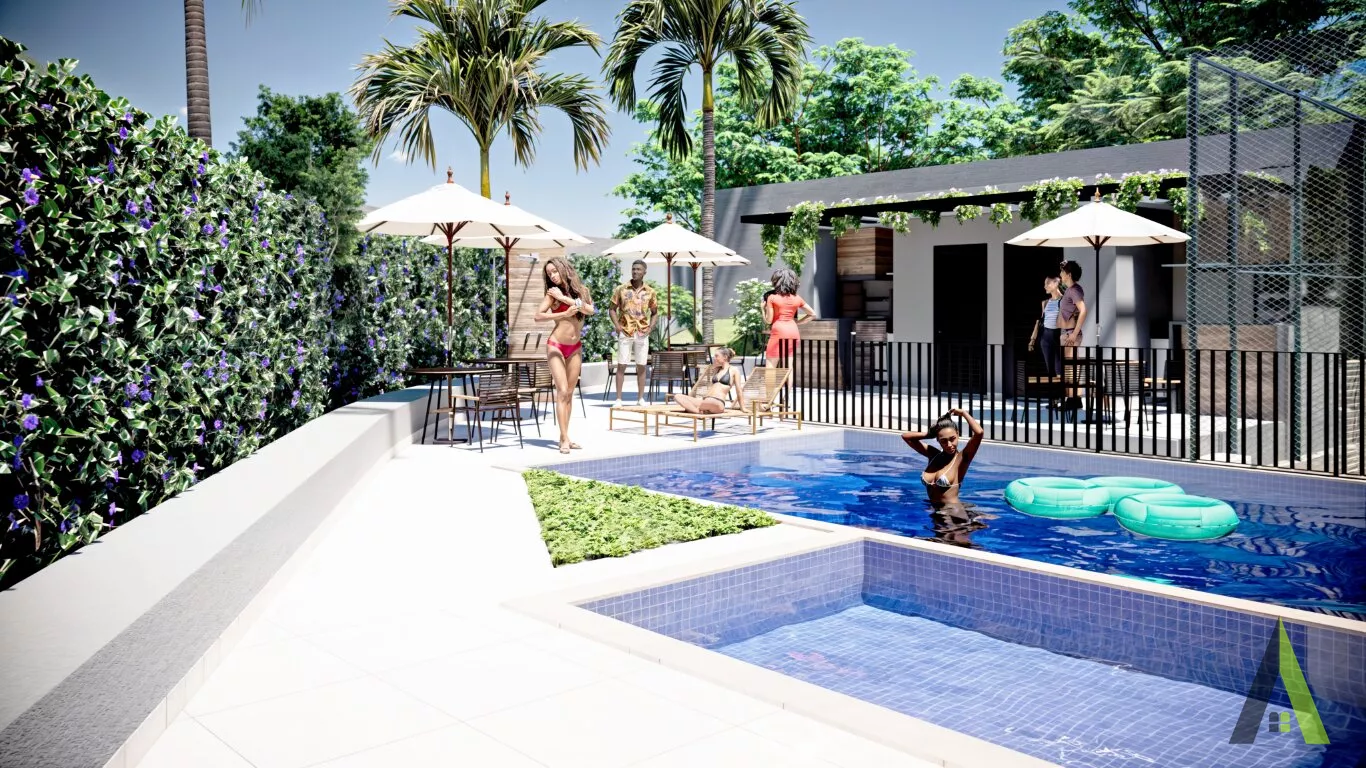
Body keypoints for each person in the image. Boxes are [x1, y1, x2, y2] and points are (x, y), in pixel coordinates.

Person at [533, 257, 595, 454]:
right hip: (556, 346)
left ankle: (564, 436)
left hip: (575, 347)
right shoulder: (552, 294)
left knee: (569, 393)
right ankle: (564, 439)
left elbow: (590, 310)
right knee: (561, 391)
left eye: (555, 271)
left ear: (564, 269)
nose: (552, 276)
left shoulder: (582, 291)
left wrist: (566, 300)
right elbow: (538, 316)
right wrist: (563, 313)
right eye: (549, 273)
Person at [900, 408, 985, 505]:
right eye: (943, 441)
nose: (949, 445)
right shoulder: (933, 455)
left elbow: (979, 433)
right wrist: (928, 434)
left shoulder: (962, 459)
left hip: (952, 511)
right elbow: (905, 437)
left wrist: (963, 413)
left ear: (958, 434)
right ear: (937, 439)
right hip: (933, 509)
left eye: (952, 439)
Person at [608, 259, 658, 407]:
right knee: (621, 365)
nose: (635, 271)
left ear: (644, 272)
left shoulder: (650, 292)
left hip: (642, 332)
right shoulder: (621, 289)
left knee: (641, 366)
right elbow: (612, 309)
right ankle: (618, 399)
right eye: (633, 269)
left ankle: (640, 399)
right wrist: (617, 326)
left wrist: (650, 328)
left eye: (638, 269)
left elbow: (655, 312)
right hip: (625, 331)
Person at [763, 268, 816, 364]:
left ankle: (772, 376)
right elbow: (812, 314)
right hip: (793, 331)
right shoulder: (797, 298)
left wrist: (763, 309)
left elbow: (769, 320)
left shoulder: (772, 298)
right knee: (788, 366)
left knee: (770, 368)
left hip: (778, 332)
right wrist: (797, 323)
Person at [1028, 276, 1065, 410]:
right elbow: (1039, 322)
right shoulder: (1045, 303)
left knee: (1060, 369)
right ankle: (1053, 400)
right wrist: (1032, 339)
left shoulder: (1063, 301)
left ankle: (1062, 399)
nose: (1045, 286)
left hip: (1058, 337)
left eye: (1047, 283)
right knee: (1050, 371)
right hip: (1045, 338)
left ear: (1056, 283)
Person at [672, 347, 745, 415]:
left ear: (725, 357)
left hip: (717, 402)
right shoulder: (717, 369)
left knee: (705, 402)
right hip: (705, 400)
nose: (714, 358)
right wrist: (715, 364)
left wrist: (742, 407)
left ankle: (693, 409)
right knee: (677, 396)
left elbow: (739, 390)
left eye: (716, 356)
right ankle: (698, 412)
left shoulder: (734, 370)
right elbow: (712, 367)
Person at [1058, 260, 1089, 412]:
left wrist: (1074, 333)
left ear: (1068, 274)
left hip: (1071, 334)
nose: (1060, 274)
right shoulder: (1070, 290)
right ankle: (1074, 400)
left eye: (1062, 272)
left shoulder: (1074, 290)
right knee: (1070, 368)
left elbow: (1083, 310)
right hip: (1067, 333)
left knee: (1071, 368)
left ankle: (1073, 400)